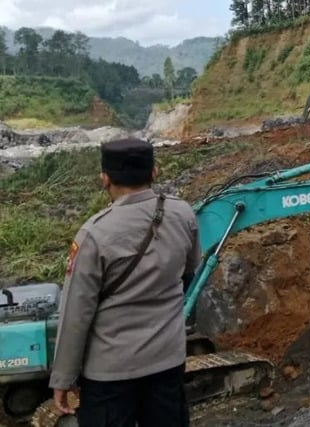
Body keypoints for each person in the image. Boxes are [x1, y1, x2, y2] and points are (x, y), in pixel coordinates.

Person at [49, 138, 201, 426]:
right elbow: (190, 270)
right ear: (154, 172)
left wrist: (63, 378)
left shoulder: (94, 234)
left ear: (104, 178)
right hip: (167, 362)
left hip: (110, 375)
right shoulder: (183, 213)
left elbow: (75, 314)